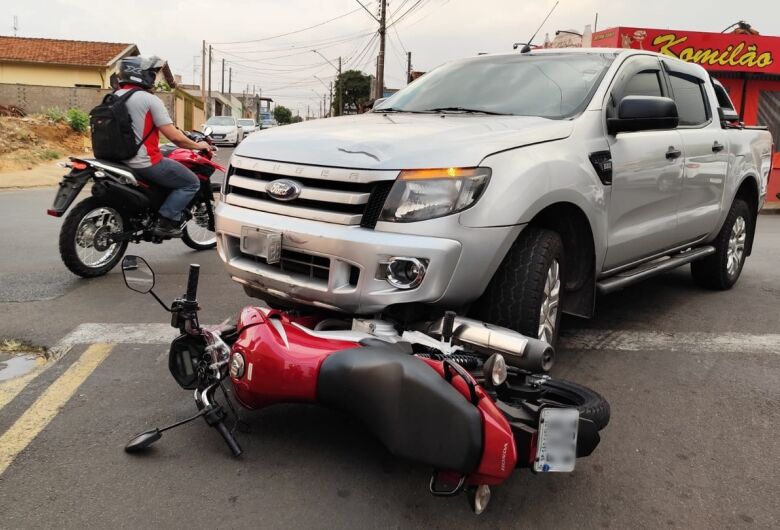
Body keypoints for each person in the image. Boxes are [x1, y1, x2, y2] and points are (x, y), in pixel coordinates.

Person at [115, 56, 212, 238]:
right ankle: (166, 221)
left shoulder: (113, 97)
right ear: (141, 75)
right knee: (191, 182)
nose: (154, 77)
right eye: (152, 73)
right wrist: (197, 145)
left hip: (117, 160)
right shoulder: (149, 100)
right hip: (144, 162)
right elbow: (176, 138)